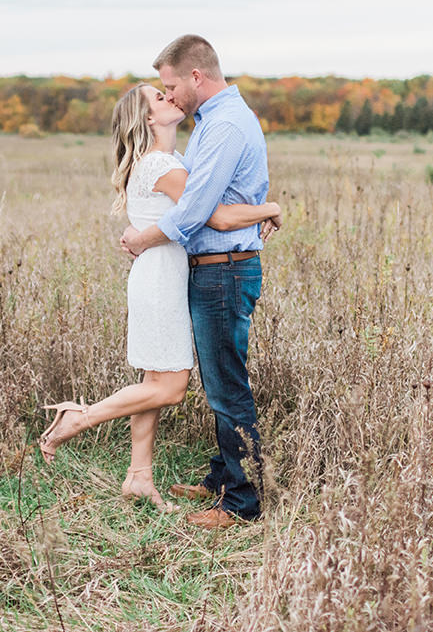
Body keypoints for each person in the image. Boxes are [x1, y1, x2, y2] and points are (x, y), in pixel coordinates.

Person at [38, 81, 279, 512]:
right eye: (159, 97)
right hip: (162, 280)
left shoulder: (166, 162)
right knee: (169, 388)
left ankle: (138, 476)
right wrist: (271, 209)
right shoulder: (163, 166)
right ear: (148, 118)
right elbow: (218, 217)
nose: (170, 98)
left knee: (153, 382)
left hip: (157, 274)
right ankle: (80, 417)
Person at [119, 34, 269, 530]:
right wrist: (266, 209)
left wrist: (144, 238)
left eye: (170, 86)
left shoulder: (224, 125)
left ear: (195, 78)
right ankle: (221, 478)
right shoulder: (210, 122)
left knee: (227, 388)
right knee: (219, 382)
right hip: (212, 267)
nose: (170, 96)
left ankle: (241, 504)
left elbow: (200, 211)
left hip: (225, 268)